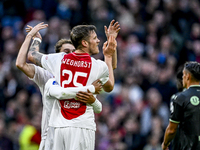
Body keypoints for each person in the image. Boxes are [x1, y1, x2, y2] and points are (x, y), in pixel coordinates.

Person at [27, 20, 120, 150]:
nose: (98, 40)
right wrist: (108, 56)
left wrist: (35, 39)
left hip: (60, 126)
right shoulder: (98, 66)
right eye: (94, 38)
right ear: (84, 43)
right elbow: (109, 86)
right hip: (82, 125)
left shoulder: (58, 59)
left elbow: (31, 55)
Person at [162, 61, 200, 150]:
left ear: (188, 76)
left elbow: (172, 130)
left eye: (183, 75)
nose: (182, 77)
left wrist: (165, 143)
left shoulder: (181, 98)